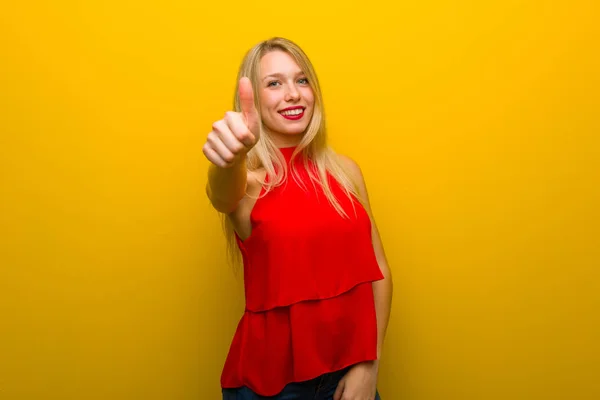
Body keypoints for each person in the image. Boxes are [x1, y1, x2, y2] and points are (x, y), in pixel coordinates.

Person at [203, 37, 393, 400]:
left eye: (301, 80)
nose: (293, 94)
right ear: (254, 101)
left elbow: (380, 273)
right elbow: (220, 194)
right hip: (271, 389)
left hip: (351, 378)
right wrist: (227, 160)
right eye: (274, 83)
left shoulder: (345, 172)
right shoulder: (247, 184)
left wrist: (370, 365)